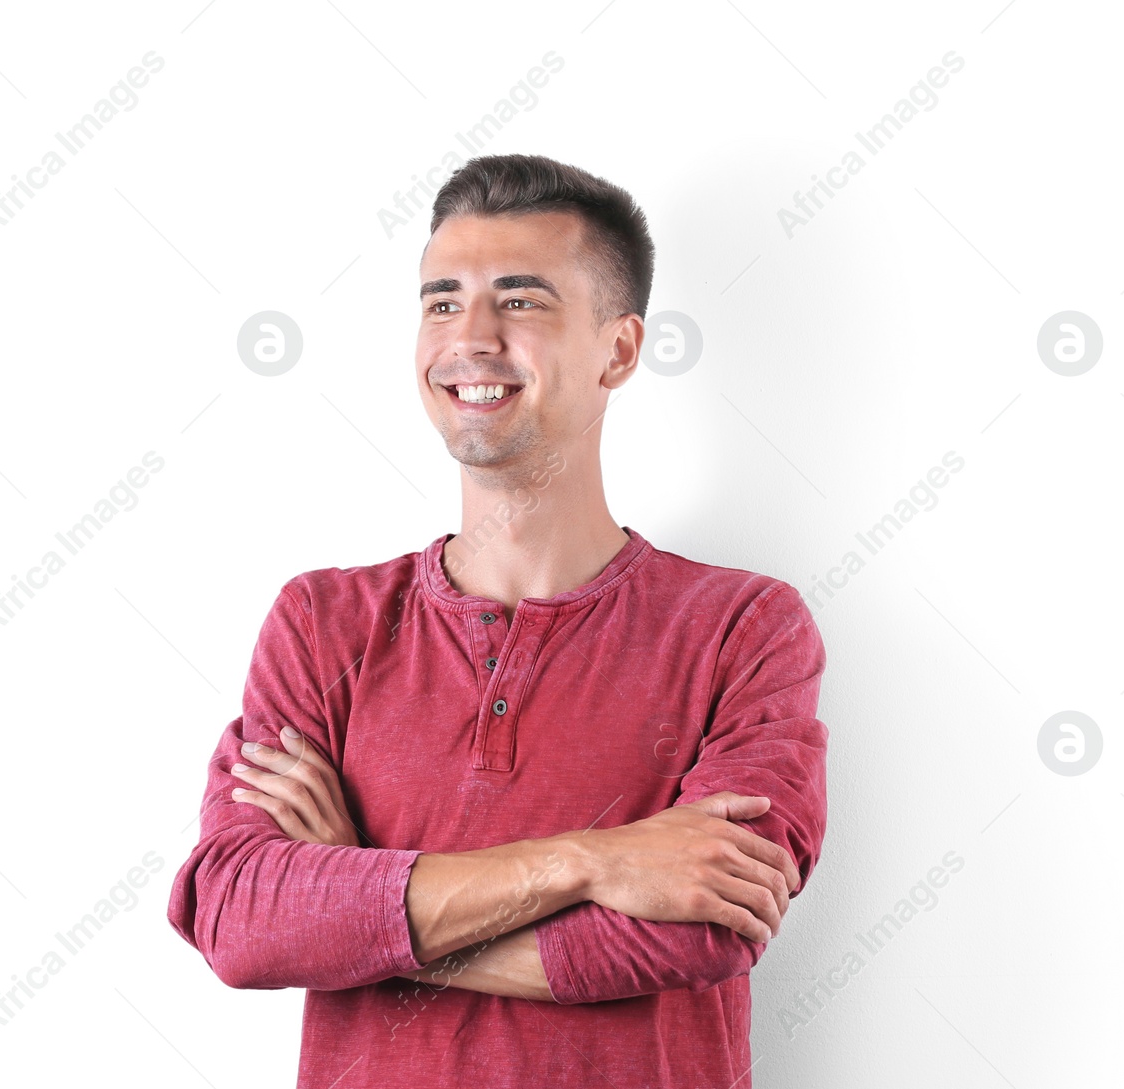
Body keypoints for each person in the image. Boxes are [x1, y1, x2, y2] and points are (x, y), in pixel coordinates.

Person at [167, 153, 829, 1088]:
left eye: (520, 301)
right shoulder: (322, 622)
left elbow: (701, 927)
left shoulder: (744, 626)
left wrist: (356, 893)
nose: (469, 336)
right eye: (441, 301)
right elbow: (240, 919)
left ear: (619, 350)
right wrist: (589, 861)